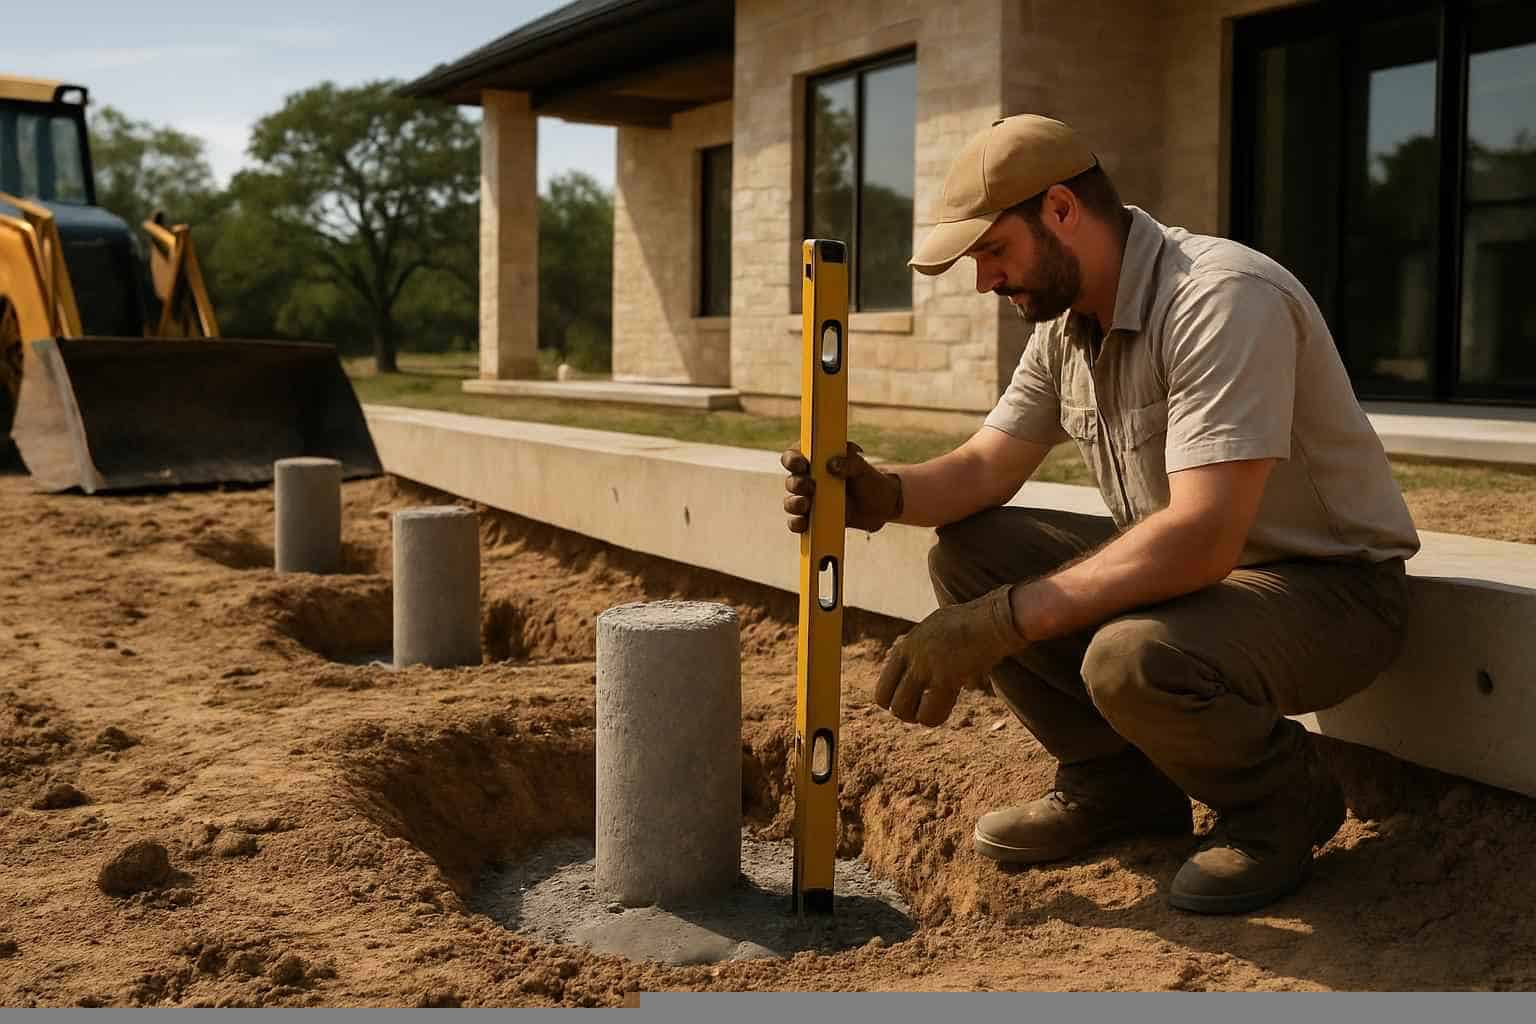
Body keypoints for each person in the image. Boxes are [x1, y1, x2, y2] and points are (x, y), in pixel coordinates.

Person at [780, 113, 1419, 915]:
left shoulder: (1219, 298)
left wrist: (1000, 622)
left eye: (991, 251)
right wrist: (880, 494)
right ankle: (1121, 787)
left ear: (1058, 210)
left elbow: (1201, 536)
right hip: (1209, 586)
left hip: (1331, 593)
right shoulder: (1068, 328)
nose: (984, 281)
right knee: (970, 555)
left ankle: (1277, 806)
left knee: (1129, 657)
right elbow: (986, 466)